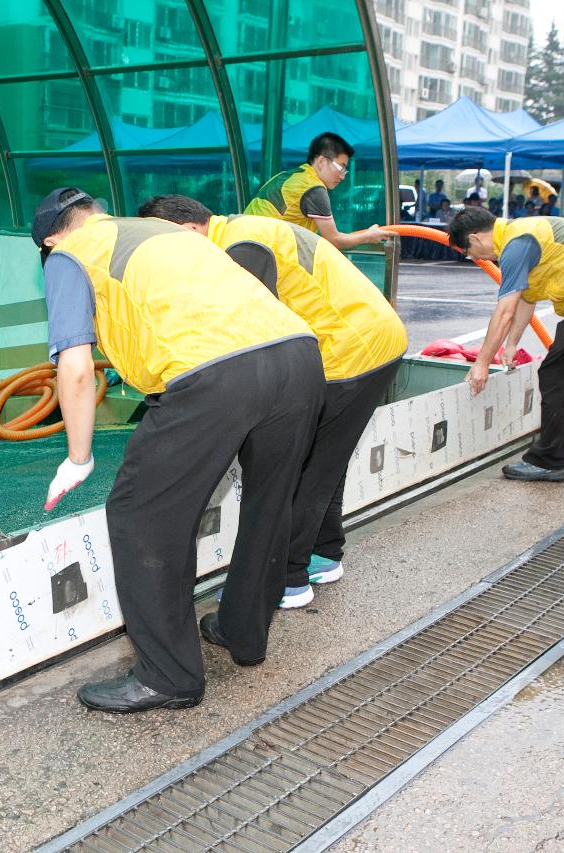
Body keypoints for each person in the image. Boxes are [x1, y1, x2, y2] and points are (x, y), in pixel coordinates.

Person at [33, 187, 324, 713]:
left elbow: (74, 368)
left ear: (52, 238)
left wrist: (79, 459)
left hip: (217, 373)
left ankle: (168, 676)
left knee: (142, 514)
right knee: (270, 502)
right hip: (299, 357)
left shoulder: (67, 255)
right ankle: (245, 635)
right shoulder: (164, 233)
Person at [137, 195, 408, 610]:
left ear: (187, 229)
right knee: (326, 463)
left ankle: (288, 578)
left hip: (347, 353)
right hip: (371, 339)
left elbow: (247, 334)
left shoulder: (242, 248)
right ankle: (326, 553)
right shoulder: (246, 230)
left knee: (301, 473)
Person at [447, 207, 564, 482]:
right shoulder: (522, 234)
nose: (470, 257)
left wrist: (482, 363)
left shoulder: (516, 245)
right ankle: (563, 449)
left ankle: (548, 461)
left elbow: (505, 311)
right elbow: (527, 298)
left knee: (556, 376)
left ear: (475, 238)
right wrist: (511, 344)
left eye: (466, 250)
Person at [245, 133, 390, 248]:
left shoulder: (290, 176)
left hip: (245, 243)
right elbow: (334, 240)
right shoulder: (314, 189)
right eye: (340, 167)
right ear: (321, 161)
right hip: (260, 251)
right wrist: (368, 236)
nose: (342, 176)